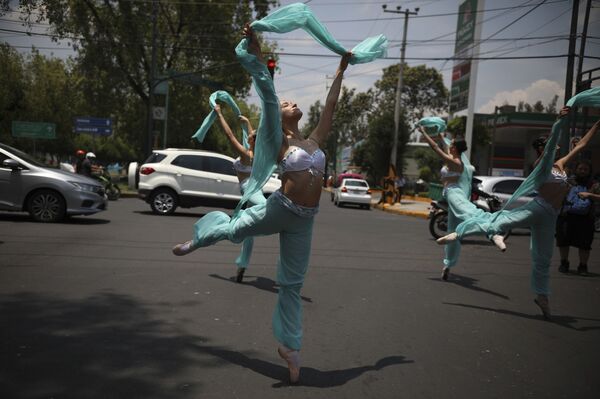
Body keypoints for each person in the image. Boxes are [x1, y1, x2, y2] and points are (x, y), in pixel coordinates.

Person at [172, 24, 352, 383]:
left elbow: (330, 105)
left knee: (292, 285)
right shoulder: (279, 141)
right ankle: (198, 240)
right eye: (288, 105)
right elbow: (268, 92)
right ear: (280, 120)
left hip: (305, 219)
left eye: (293, 103)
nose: (292, 104)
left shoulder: (315, 139)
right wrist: (255, 49)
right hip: (280, 209)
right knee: (235, 229)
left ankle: (290, 348)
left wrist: (340, 70)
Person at [437, 109, 599, 319]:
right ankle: (458, 234)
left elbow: (582, 146)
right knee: (499, 222)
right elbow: (550, 149)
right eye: (552, 145)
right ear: (542, 148)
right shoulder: (540, 165)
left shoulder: (561, 165)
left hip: (551, 215)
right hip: (537, 208)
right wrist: (559, 123)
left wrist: (596, 126)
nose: (558, 148)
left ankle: (542, 296)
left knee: (544, 258)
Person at [419, 125, 491, 280]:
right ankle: (448, 264)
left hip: (454, 195)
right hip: (449, 196)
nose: (449, 146)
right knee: (452, 231)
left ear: (456, 149)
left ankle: (490, 228)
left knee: (463, 222)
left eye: (452, 145)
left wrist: (425, 133)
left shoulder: (456, 163)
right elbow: (443, 146)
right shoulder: (452, 158)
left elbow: (435, 148)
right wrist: (439, 135)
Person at [214, 103, 263, 283]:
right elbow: (254, 138)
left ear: (252, 141)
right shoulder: (257, 153)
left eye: (251, 135)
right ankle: (242, 262)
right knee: (253, 223)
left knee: (259, 215)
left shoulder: (246, 154)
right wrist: (248, 122)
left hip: (250, 189)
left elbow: (230, 135)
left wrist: (219, 114)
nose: (249, 135)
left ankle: (242, 265)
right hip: (253, 189)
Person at [556, 159, 600, 275]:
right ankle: (564, 263)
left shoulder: (594, 184)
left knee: (585, 244)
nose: (583, 171)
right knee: (563, 241)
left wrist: (590, 195)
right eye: (580, 169)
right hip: (566, 216)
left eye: (586, 169)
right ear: (576, 170)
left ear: (589, 171)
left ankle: (583, 266)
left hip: (586, 219)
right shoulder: (568, 181)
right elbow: (555, 193)